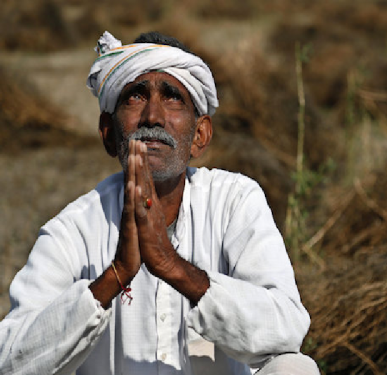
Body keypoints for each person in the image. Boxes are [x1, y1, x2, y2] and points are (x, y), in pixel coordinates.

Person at [0, 31, 320, 375]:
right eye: (136, 97)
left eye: (172, 98)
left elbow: (288, 327)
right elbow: (10, 358)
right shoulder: (72, 231)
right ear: (109, 133)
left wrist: (173, 267)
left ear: (200, 136)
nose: (153, 116)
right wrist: (114, 276)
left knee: (293, 368)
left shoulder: (234, 202)